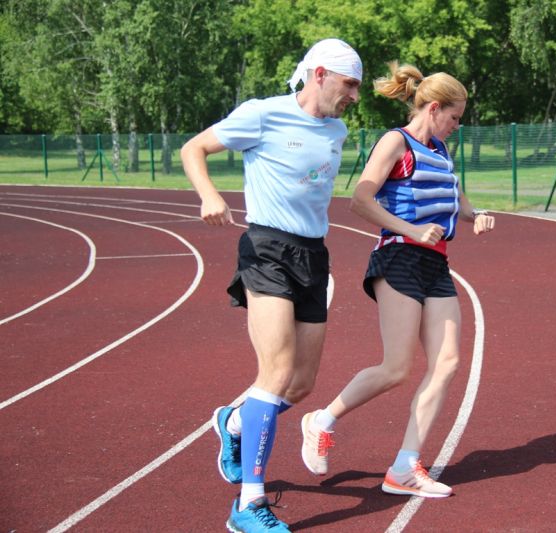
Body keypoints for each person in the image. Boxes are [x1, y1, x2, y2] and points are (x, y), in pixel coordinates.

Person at [180, 38, 362, 533]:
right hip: (267, 249)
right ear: (320, 74)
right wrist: (209, 195)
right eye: (349, 85)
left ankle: (235, 421)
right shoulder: (263, 114)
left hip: (314, 256)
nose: (354, 96)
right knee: (276, 373)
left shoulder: (338, 129)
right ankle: (249, 503)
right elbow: (193, 148)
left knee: (301, 385)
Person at [299, 62, 495, 498]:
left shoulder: (441, 151)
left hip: (435, 264)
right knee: (396, 369)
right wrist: (411, 230)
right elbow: (360, 200)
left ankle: (405, 467)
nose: (457, 126)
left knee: (447, 363)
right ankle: (321, 421)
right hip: (399, 257)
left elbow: (456, 200)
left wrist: (477, 215)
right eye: (455, 117)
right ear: (434, 108)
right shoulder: (396, 142)